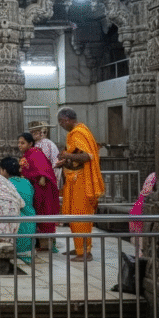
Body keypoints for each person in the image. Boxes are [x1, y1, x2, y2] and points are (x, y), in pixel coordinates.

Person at [54, 107, 105, 262]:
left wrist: (66, 155)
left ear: (67, 119)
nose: (61, 125)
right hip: (74, 181)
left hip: (81, 182)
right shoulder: (79, 132)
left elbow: (87, 156)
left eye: (61, 122)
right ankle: (78, 248)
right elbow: (77, 156)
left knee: (80, 216)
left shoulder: (78, 132)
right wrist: (64, 161)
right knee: (73, 216)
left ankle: (85, 253)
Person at [18, 131, 60, 251]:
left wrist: (42, 177)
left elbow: (44, 168)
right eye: (19, 143)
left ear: (30, 143)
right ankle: (41, 244)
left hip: (43, 190)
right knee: (38, 215)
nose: (20, 145)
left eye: (23, 143)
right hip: (35, 189)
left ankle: (46, 245)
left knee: (44, 214)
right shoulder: (27, 154)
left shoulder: (35, 153)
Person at [0, 156, 36, 262]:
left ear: (5, 171)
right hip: (31, 225)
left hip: (17, 228)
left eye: (1, 170)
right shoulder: (27, 182)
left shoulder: (6, 184)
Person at [28, 120, 61, 188]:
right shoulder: (36, 143)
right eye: (31, 132)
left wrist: (43, 176)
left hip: (48, 175)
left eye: (35, 132)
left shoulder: (46, 143)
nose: (32, 134)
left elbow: (45, 162)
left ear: (41, 132)